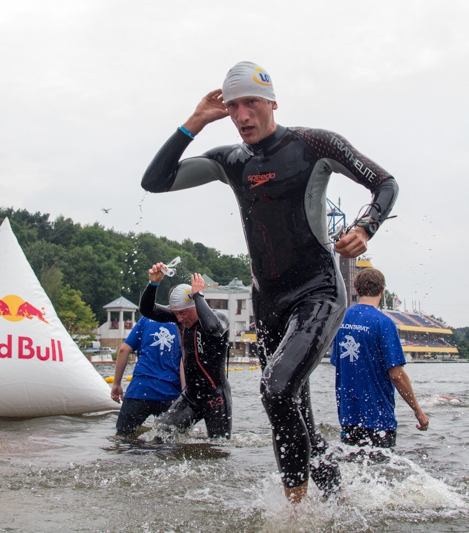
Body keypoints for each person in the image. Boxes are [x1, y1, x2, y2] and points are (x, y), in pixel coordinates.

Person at [141, 61, 398, 502]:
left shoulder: (313, 144)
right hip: (269, 301)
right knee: (294, 407)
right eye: (234, 106)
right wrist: (196, 122)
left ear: (272, 103)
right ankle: (336, 498)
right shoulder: (231, 161)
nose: (242, 116)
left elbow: (384, 183)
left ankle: (295, 513)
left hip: (318, 290)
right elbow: (154, 181)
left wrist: (366, 225)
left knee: (275, 388)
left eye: (252, 103)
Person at [331, 268, 428, 450]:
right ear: (382, 291)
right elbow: (397, 375)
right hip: (378, 418)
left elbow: (339, 364)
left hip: (348, 415)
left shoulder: (341, 320)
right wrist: (418, 411)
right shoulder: (384, 323)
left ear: (357, 291)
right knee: (381, 472)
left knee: (353, 471)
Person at [139, 269, 232, 439]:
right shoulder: (179, 320)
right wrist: (154, 283)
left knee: (218, 448)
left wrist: (198, 295)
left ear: (195, 305)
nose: (180, 319)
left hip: (216, 397)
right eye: (176, 314)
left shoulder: (220, 319)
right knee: (161, 434)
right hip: (191, 395)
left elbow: (212, 328)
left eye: (183, 313)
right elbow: (147, 309)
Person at [112, 317, 184, 437]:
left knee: (123, 437)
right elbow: (184, 361)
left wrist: (116, 384)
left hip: (139, 391)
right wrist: (183, 395)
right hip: (169, 394)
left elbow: (124, 350)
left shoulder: (147, 319)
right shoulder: (185, 322)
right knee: (169, 442)